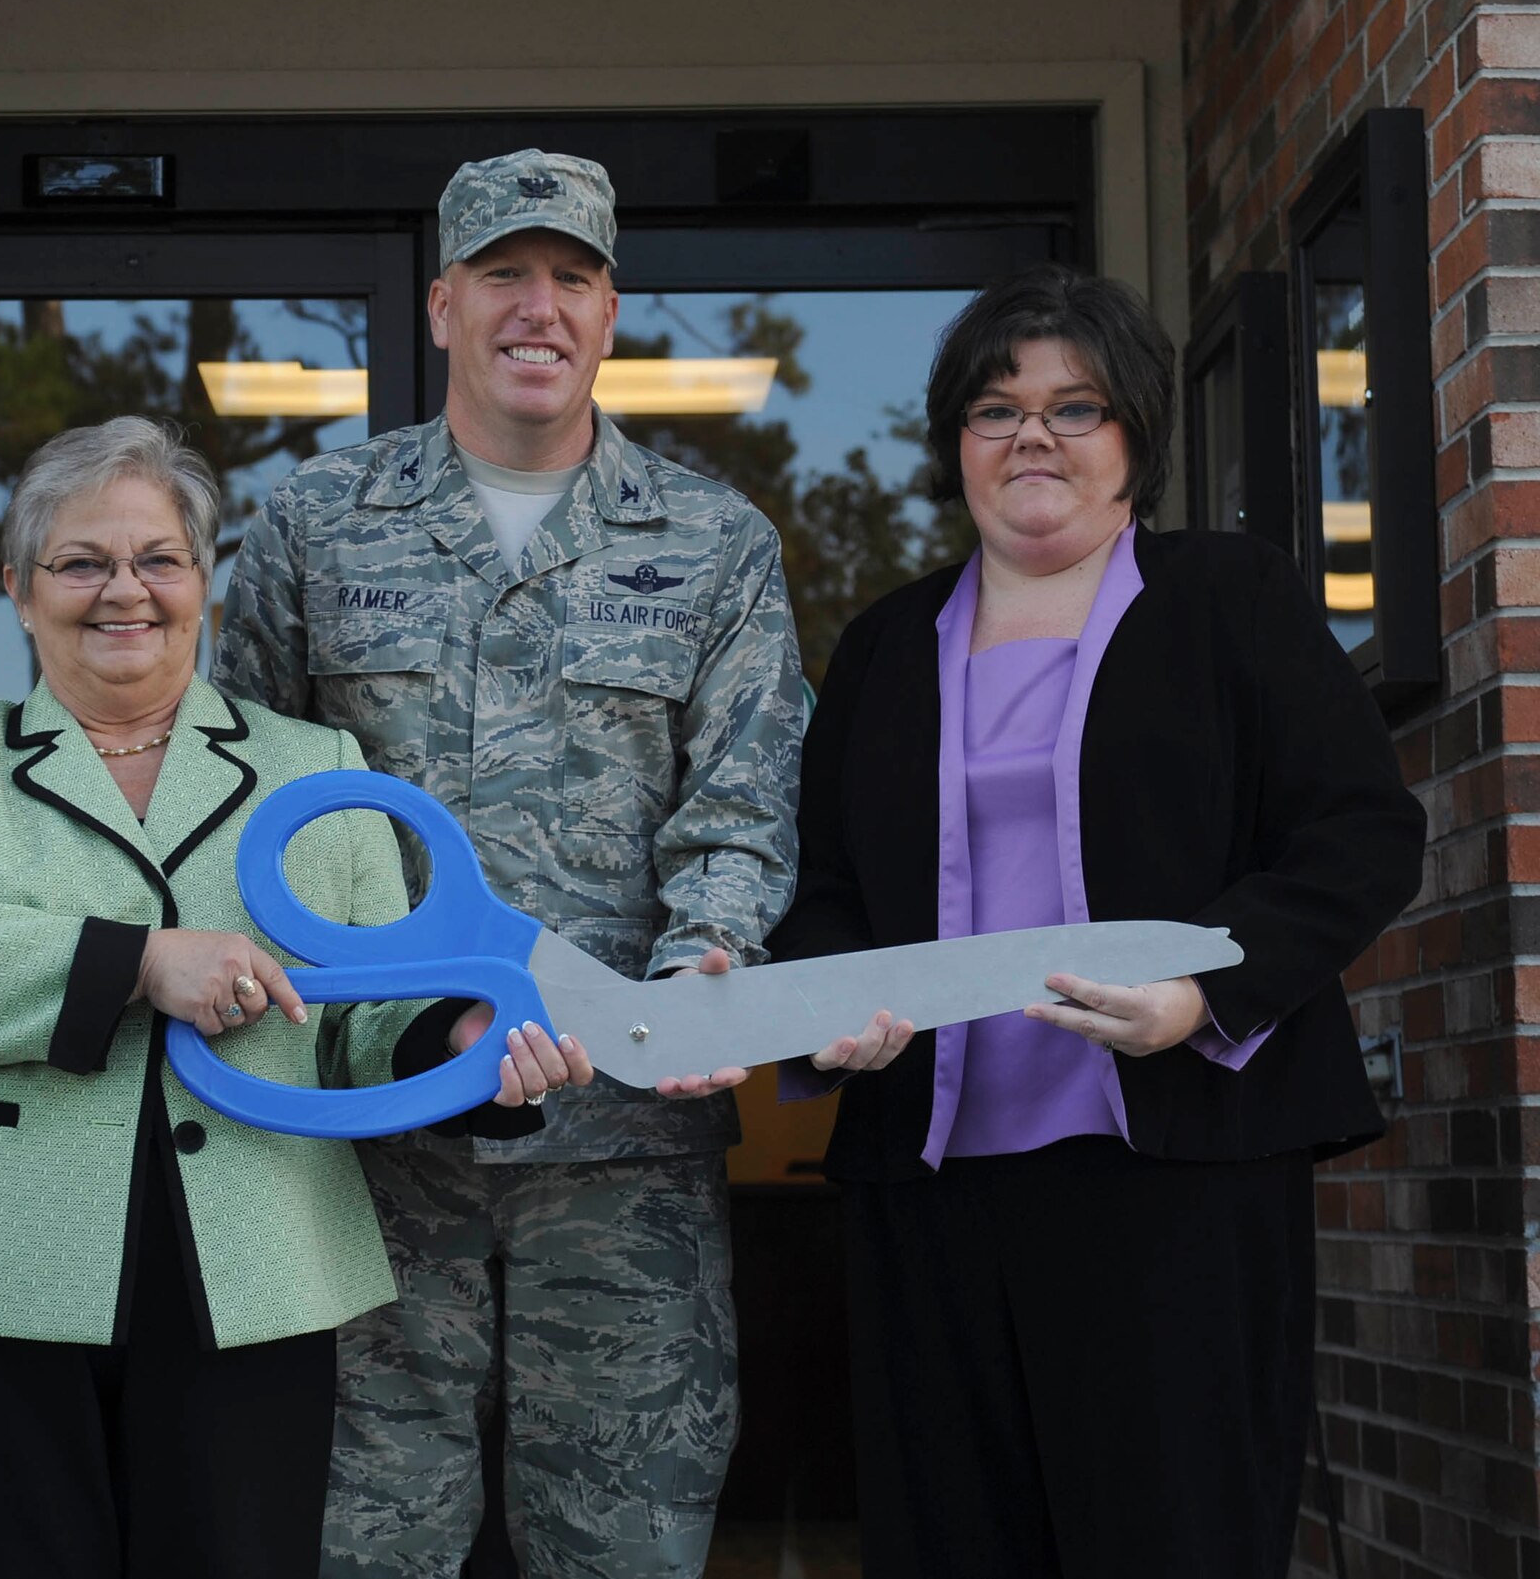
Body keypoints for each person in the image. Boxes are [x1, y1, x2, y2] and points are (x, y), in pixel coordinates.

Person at [0, 416, 590, 1579]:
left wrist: (460, 1038)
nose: (123, 590)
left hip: (249, 1259)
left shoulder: (314, 767)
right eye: (80, 562)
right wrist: (135, 962)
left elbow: (365, 1014)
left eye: (158, 559)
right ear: (19, 592)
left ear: (203, 585)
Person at [768, 263, 1426, 1578]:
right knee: (952, 1543)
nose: (1033, 436)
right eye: (996, 407)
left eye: (1077, 408)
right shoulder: (885, 646)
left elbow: (1360, 832)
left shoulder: (1229, 598)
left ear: (1135, 439)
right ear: (954, 438)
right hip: (933, 1180)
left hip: (1175, 1171)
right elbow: (829, 888)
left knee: (1171, 1538)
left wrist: (1207, 994)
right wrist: (825, 1006)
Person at [215, 149, 803, 1578]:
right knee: (360, 1545)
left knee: (628, 1542)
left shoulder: (715, 546)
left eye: (572, 278)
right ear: (441, 305)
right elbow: (248, 801)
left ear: (611, 314)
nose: (537, 307)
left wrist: (703, 970)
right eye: (503, 274)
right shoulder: (313, 524)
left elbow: (739, 807)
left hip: (626, 1148)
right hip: (369, 1137)